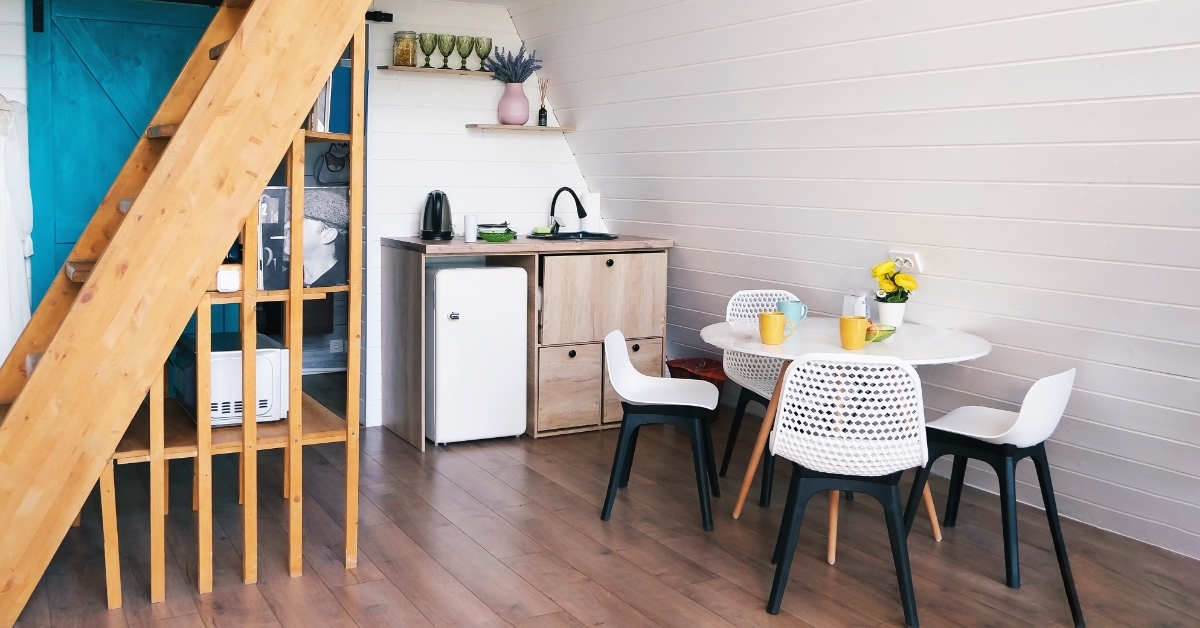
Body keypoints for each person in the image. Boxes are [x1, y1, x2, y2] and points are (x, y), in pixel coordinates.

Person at [285, 187, 348, 287]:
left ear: (327, 235)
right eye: (289, 220)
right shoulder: (281, 279)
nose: (287, 226)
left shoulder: (343, 286)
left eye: (299, 221)